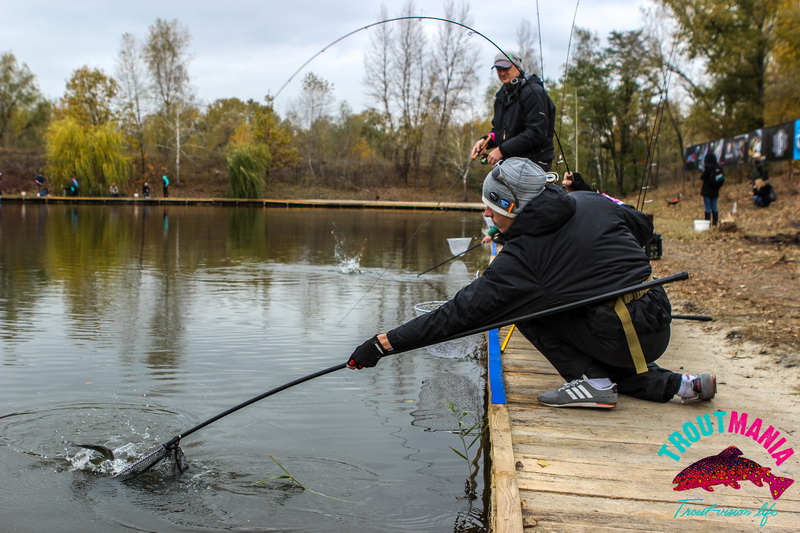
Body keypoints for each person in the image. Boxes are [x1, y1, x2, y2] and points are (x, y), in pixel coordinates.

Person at [346, 157, 715, 408]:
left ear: (514, 207)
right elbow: (642, 225)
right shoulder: (588, 199)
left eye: (492, 205)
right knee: (560, 300)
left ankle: (594, 383)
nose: (486, 213)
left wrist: (384, 344)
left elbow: (458, 314)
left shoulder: (522, 260)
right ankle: (682, 385)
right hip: (657, 317)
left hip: (622, 335)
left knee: (526, 310)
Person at [471, 52, 556, 170]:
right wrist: (486, 141)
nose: (502, 73)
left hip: (534, 165)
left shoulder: (533, 92)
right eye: (498, 69)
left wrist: (502, 150)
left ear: (517, 67)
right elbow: (500, 130)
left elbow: (536, 132)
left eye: (506, 68)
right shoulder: (501, 96)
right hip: (510, 165)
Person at [699, 153, 724, 226]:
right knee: (714, 207)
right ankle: (715, 223)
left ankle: (707, 223)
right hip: (715, 191)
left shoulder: (708, 168)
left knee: (707, 208)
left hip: (707, 191)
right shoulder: (719, 168)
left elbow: (702, 177)